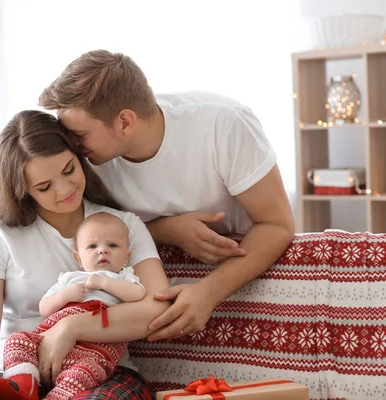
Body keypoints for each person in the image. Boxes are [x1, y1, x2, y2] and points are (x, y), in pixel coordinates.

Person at [38, 49, 295, 342]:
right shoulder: (87, 160)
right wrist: (167, 230)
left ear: (124, 122)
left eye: (79, 134)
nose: (70, 144)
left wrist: (210, 291)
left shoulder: (223, 125)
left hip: (245, 277)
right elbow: (84, 236)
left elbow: (277, 225)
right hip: (145, 299)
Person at [0, 110, 170, 400]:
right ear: (22, 190)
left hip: (102, 372)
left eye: (69, 170)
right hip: (17, 375)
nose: (65, 189)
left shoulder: (122, 226)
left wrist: (72, 327)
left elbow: (156, 309)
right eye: (44, 187)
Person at [0, 212, 146, 400]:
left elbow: (138, 294)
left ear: (126, 257)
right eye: (92, 246)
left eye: (112, 245)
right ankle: (23, 386)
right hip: (49, 342)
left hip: (97, 349)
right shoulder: (69, 278)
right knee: (17, 340)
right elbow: (44, 307)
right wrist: (65, 295)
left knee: (85, 373)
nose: (102, 250)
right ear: (78, 258)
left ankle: (56, 397)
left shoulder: (124, 276)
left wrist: (104, 283)